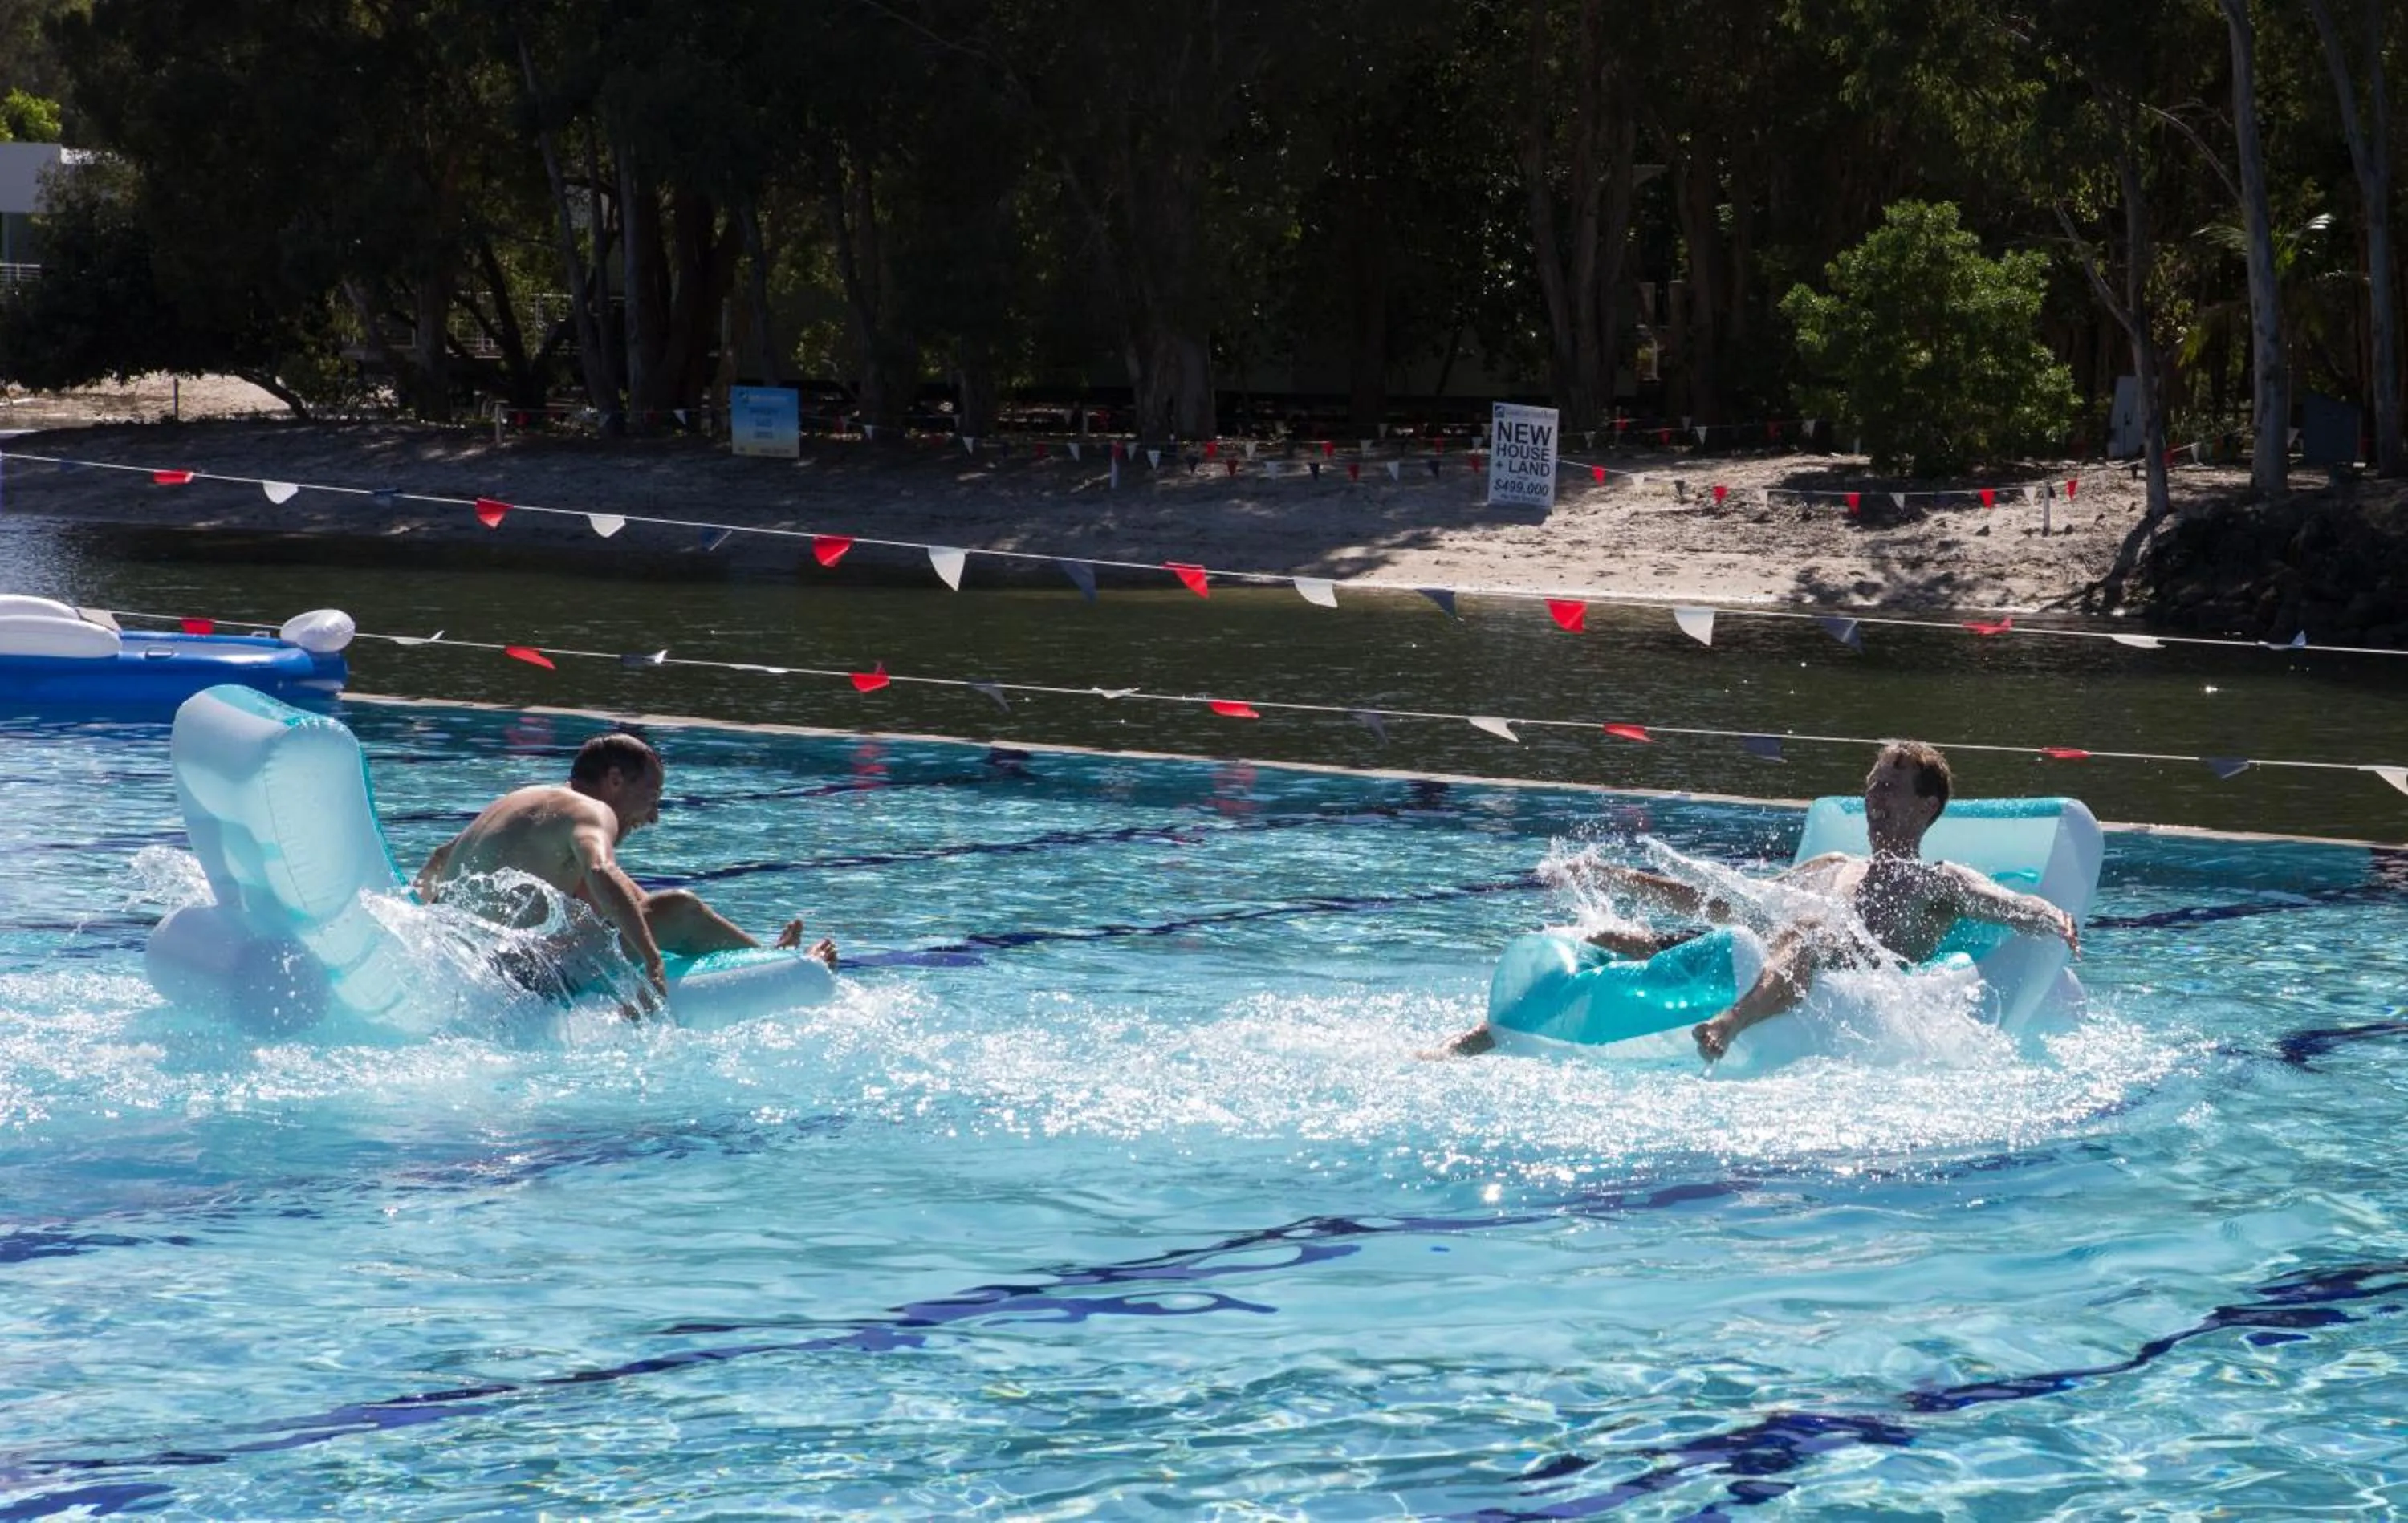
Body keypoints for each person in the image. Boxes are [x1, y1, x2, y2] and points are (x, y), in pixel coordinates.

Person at [1437, 741, 2078, 1062]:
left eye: (1888, 788)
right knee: (1618, 942)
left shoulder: (1937, 881)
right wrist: (1619, 878)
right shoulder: (1834, 867)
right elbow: (1732, 904)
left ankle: (1728, 1025)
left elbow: (2005, 904)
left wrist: (2050, 914)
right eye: (1869, 788)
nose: (1872, 801)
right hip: (1765, 958)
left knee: (1806, 932)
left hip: (1849, 985)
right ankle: (1482, 1038)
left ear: (1926, 805)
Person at [414, 730, 836, 1014]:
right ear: (615, 780)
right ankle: (781, 968)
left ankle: (763, 956)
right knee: (682, 908)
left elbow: (436, 860)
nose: (652, 817)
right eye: (651, 797)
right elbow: (602, 870)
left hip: (461, 969)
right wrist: (653, 964)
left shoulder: (524, 801)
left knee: (619, 912)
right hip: (522, 980)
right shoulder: (590, 812)